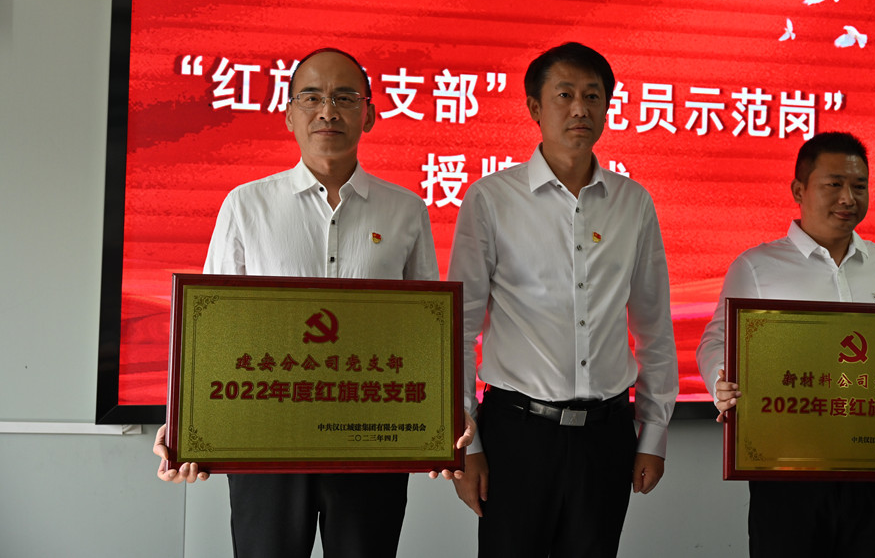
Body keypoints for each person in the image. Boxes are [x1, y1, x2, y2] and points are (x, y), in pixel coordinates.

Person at [152, 47, 473, 558]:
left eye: (345, 98)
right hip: (266, 440)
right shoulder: (246, 205)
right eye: (312, 97)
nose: (328, 111)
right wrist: (186, 424)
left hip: (370, 439)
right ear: (289, 114)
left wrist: (446, 419)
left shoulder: (406, 210)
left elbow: (428, 333)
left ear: (369, 114)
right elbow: (210, 327)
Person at [696, 130, 875, 558]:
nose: (848, 198)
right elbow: (716, 340)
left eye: (859, 186)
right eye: (834, 184)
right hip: (789, 467)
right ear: (799, 190)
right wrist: (723, 382)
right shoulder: (757, 266)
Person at [447, 41, 678, 557]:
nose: (580, 108)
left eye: (593, 96)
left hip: (606, 435)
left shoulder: (633, 203)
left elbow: (654, 327)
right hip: (516, 434)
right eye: (565, 95)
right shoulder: (491, 199)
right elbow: (459, 328)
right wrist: (467, 444)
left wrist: (654, 433)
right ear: (535, 107)